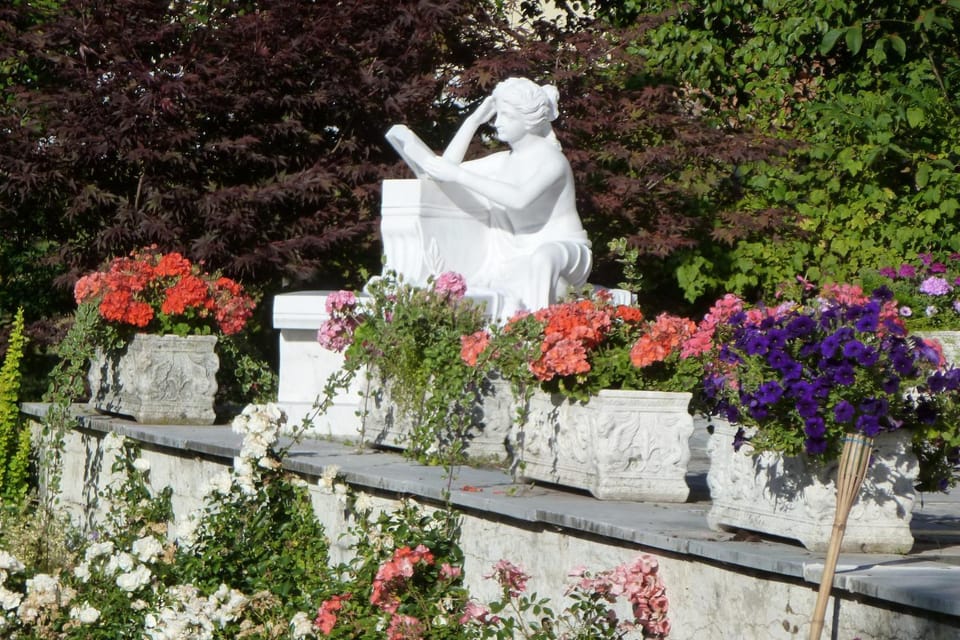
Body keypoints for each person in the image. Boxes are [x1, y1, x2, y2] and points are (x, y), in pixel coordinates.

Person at [420, 77, 592, 313]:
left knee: (543, 258)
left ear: (529, 120)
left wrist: (457, 175)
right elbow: (442, 171)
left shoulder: (552, 159)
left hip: (566, 251)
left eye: (507, 116)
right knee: (501, 291)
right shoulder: (503, 161)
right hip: (519, 256)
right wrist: (474, 120)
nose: (498, 122)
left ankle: (538, 333)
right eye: (496, 115)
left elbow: (519, 199)